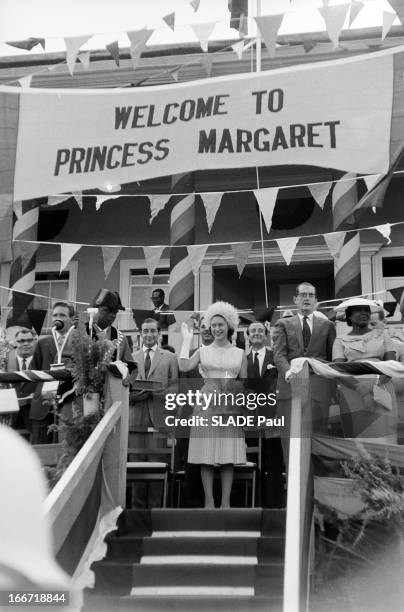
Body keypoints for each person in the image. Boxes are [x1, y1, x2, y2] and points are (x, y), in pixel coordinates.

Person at [179, 301, 247, 509]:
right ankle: (209, 500)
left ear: (229, 326)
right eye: (214, 325)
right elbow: (183, 366)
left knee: (227, 455)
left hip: (229, 404)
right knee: (205, 454)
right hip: (206, 403)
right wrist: (186, 341)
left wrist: (233, 391)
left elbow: (244, 382)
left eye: (221, 325)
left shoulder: (240, 353)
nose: (217, 329)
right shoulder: (202, 351)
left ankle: (225, 501)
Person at [273, 282, 336, 467]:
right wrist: (289, 372)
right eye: (303, 295)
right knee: (290, 439)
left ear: (316, 300)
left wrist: (333, 391)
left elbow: (332, 360)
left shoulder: (328, 325)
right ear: (295, 299)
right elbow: (279, 355)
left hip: (318, 392)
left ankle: (315, 490)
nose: (307, 298)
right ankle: (293, 491)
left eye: (311, 295)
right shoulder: (283, 323)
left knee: (317, 440)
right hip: (290, 390)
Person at [333, 298, 398, 443]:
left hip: (381, 388)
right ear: (349, 316)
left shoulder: (383, 335)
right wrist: (361, 389)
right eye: (358, 310)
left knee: (383, 436)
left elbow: (391, 365)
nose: (363, 313)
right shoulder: (339, 340)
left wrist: (373, 385)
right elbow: (339, 370)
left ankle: (385, 466)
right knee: (359, 439)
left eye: (366, 310)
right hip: (352, 391)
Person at [130, 317, 178, 507]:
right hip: (136, 417)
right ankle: (136, 514)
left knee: (157, 466)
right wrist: (137, 393)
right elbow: (125, 389)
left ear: (159, 334)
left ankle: (157, 514)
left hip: (160, 416)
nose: (149, 335)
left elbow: (176, 388)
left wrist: (159, 392)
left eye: (152, 331)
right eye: (145, 331)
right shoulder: (130, 358)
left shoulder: (169, 357)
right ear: (141, 334)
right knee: (136, 466)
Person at [246, 320, 284, 508]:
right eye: (253, 330)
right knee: (253, 462)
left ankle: (275, 506)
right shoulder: (242, 360)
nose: (257, 333)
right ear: (248, 335)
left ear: (266, 333)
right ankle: (255, 505)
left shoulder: (276, 357)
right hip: (250, 420)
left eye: (260, 330)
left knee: (274, 462)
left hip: (273, 418)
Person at [177, 315, 214, 507]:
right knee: (193, 462)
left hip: (217, 416)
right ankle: (192, 506)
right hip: (192, 415)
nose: (207, 330)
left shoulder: (223, 354)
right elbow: (183, 387)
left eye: (211, 327)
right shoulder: (190, 354)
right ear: (199, 330)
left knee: (215, 460)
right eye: (204, 327)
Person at [28, 302, 76, 444]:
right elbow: (34, 371)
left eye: (62, 315)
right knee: (39, 456)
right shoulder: (43, 343)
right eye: (55, 315)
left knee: (63, 454)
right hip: (42, 406)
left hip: (67, 406)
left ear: (71, 319)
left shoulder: (78, 343)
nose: (58, 318)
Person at [89, 289, 134, 368]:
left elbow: (131, 368)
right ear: (95, 309)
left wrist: (124, 369)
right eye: (107, 310)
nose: (112, 315)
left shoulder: (121, 338)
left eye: (115, 311)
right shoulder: (80, 333)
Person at [7, 328, 36, 435]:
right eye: (21, 341)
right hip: (10, 411)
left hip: (34, 410)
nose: (26, 344)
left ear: (34, 341)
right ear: (15, 343)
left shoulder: (41, 360)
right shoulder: (7, 359)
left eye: (29, 340)